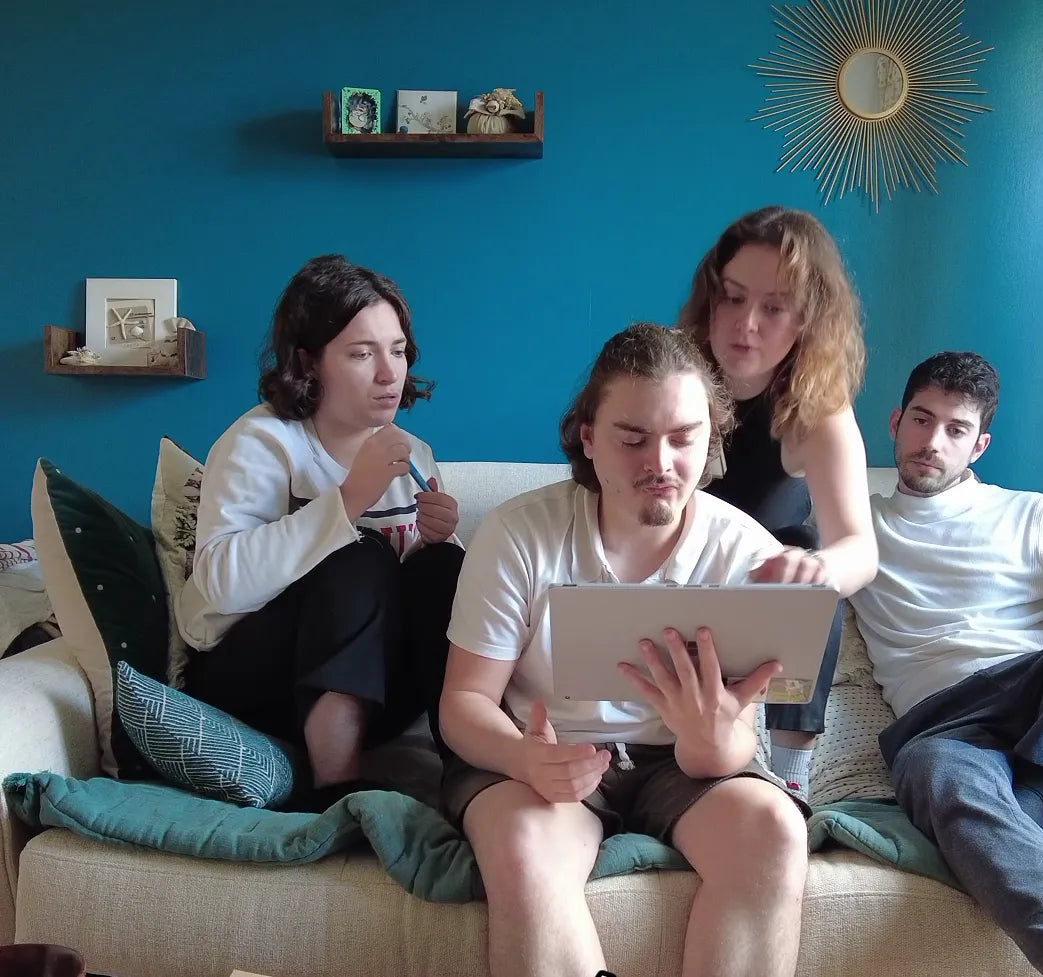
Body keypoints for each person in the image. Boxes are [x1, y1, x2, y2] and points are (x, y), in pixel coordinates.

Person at [440, 323, 809, 977]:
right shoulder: (519, 535)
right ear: (589, 438)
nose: (659, 463)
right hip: (544, 752)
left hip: (683, 766)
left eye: (683, 438)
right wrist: (524, 757)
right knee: (524, 844)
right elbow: (464, 701)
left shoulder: (747, 552)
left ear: (712, 437)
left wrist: (708, 739)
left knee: (775, 831)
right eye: (633, 439)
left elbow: (731, 747)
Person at [177, 254, 464, 809]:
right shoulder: (261, 442)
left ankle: (470, 778)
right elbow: (222, 585)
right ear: (310, 361)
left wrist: (437, 540)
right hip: (255, 686)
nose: (389, 373)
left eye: (397, 350)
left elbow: (416, 606)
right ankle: (336, 791)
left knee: (445, 568)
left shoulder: (413, 453)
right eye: (362, 353)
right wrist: (349, 500)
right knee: (361, 555)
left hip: (375, 695)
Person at [848, 351, 1043, 977]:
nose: (932, 442)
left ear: (980, 446)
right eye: (922, 420)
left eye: (955, 429)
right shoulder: (855, 528)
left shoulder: (1029, 513)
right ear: (895, 422)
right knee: (931, 771)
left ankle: (1034, 780)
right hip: (948, 726)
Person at [677, 205, 878, 798]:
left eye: (774, 308)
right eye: (733, 298)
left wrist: (818, 571)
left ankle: (791, 773)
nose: (746, 325)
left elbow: (859, 547)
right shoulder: (673, 377)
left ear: (807, 317)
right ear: (711, 297)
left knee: (808, 561)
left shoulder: (817, 410)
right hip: (668, 576)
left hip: (754, 594)